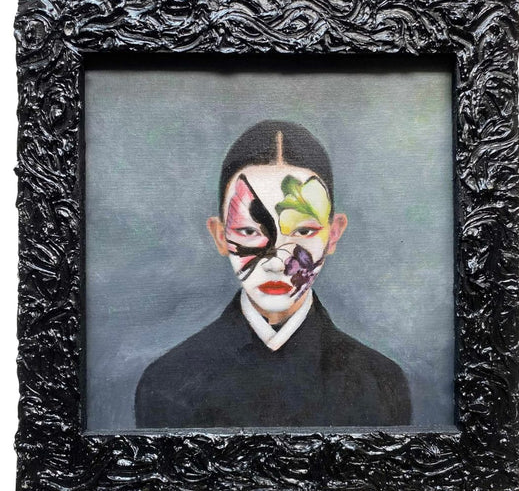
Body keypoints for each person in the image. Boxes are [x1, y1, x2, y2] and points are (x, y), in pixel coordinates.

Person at [135, 120, 411, 428]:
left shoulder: (380, 385)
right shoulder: (167, 384)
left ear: (333, 234)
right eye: (249, 231)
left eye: (303, 231)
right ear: (219, 235)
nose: (278, 263)